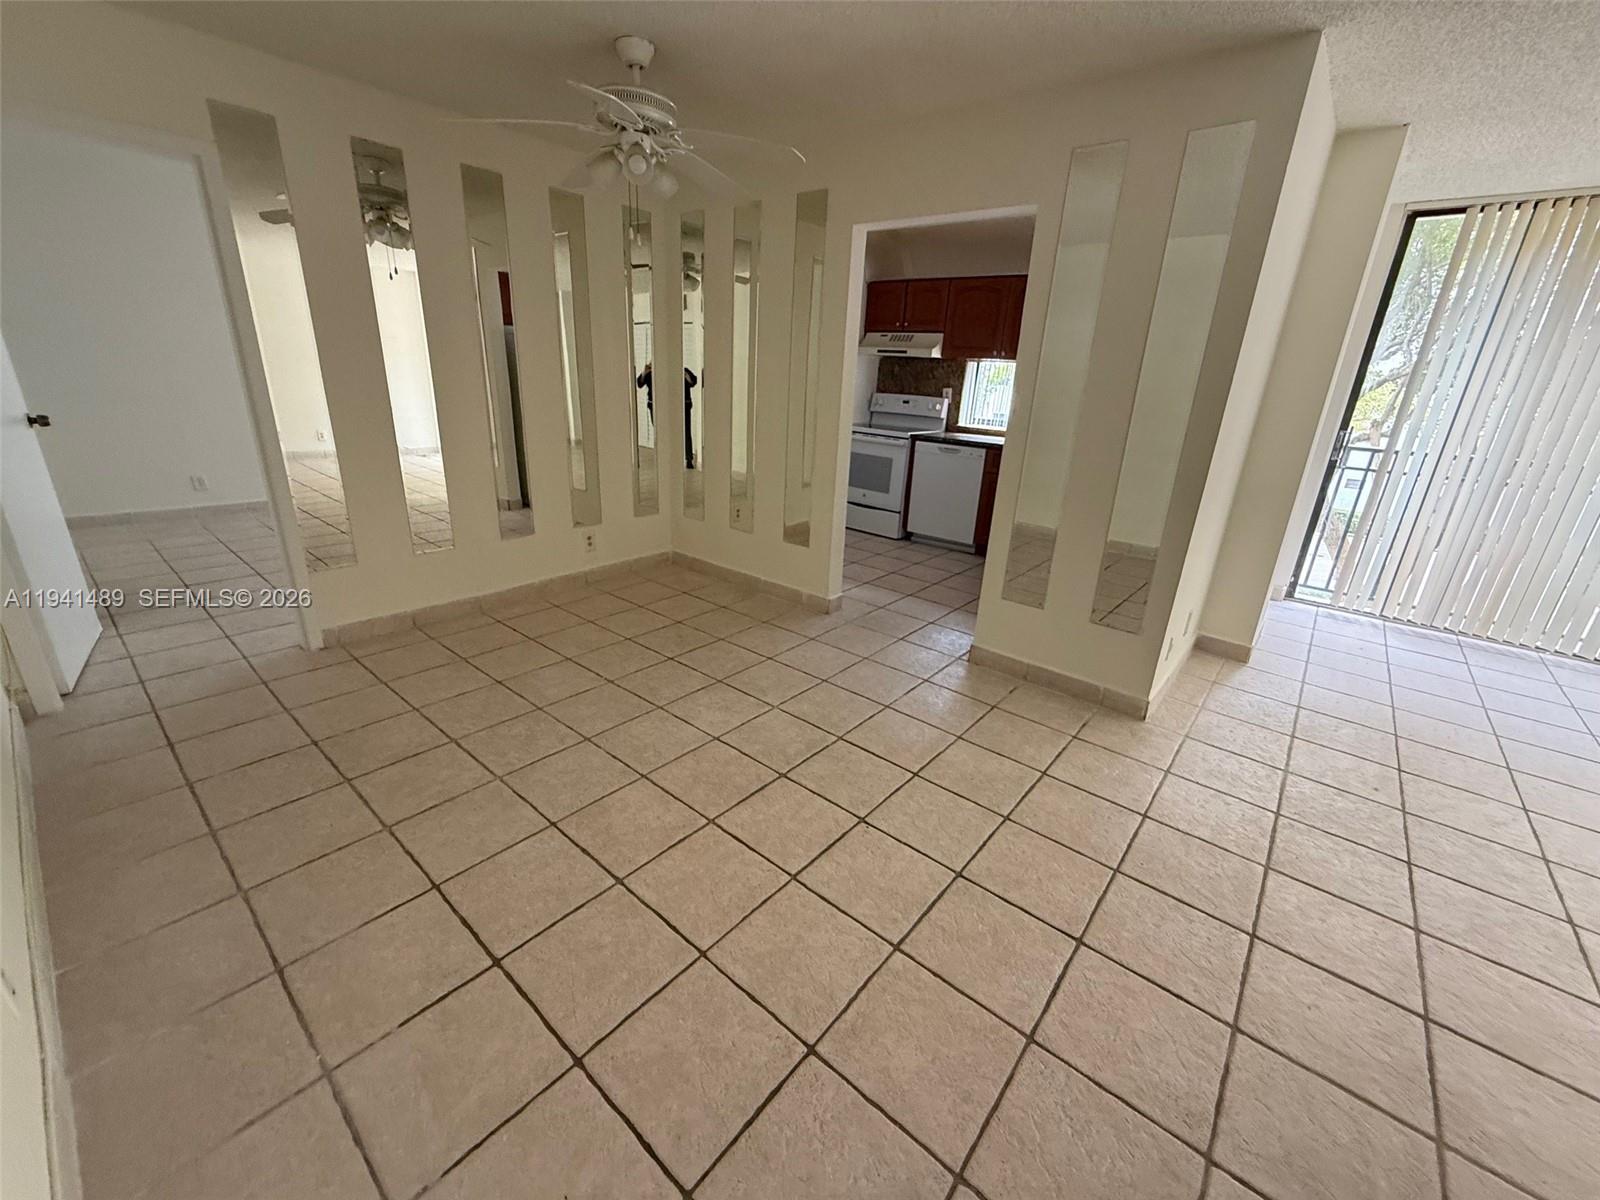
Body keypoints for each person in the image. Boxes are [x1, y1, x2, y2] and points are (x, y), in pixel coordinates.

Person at [635, 362, 699, 469]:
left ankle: (689, 459)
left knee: (686, 431)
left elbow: (694, 382)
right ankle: (664, 456)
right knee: (660, 432)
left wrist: (684, 374)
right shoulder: (650, 373)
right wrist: (644, 372)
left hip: (683, 405)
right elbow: (639, 384)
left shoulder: (683, 370)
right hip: (656, 406)